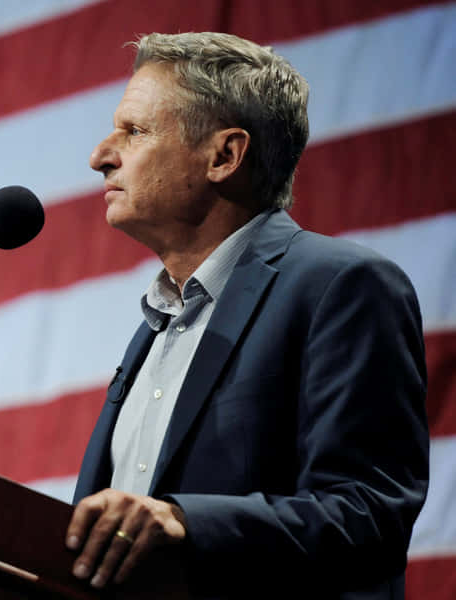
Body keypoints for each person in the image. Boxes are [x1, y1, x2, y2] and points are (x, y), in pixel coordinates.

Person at [66, 32, 428, 598]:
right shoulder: (157, 323)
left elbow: (369, 513)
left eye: (134, 131)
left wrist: (185, 523)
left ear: (224, 156)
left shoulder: (342, 286)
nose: (100, 157)